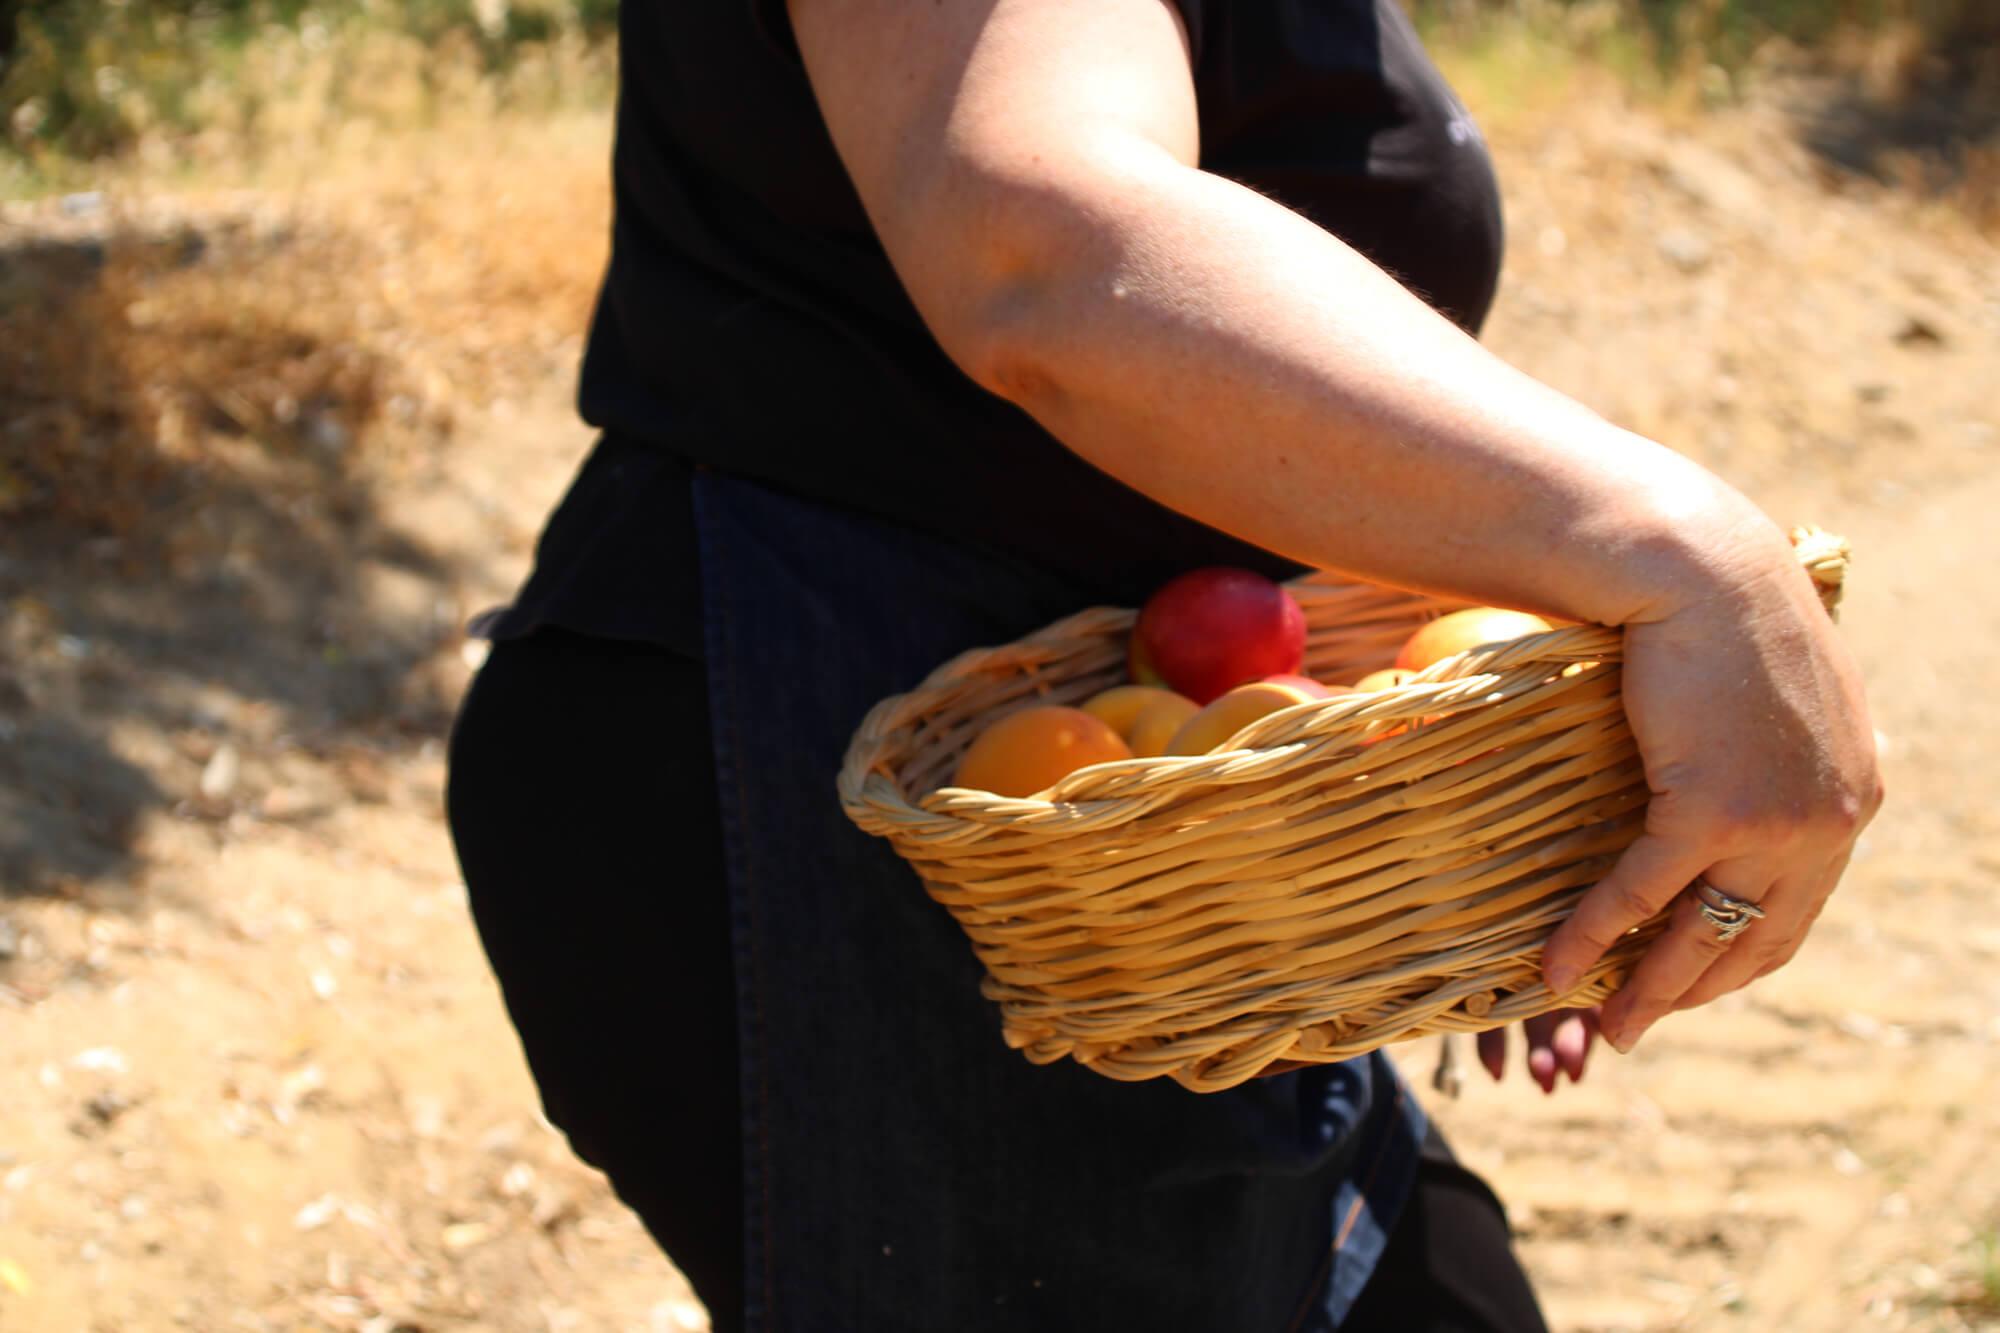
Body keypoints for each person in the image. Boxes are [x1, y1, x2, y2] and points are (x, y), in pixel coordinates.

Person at [444, 2, 1882, 1329]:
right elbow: (1037, 248)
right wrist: (1682, 552)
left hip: (1150, 872)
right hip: (833, 791)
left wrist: (1438, 843)